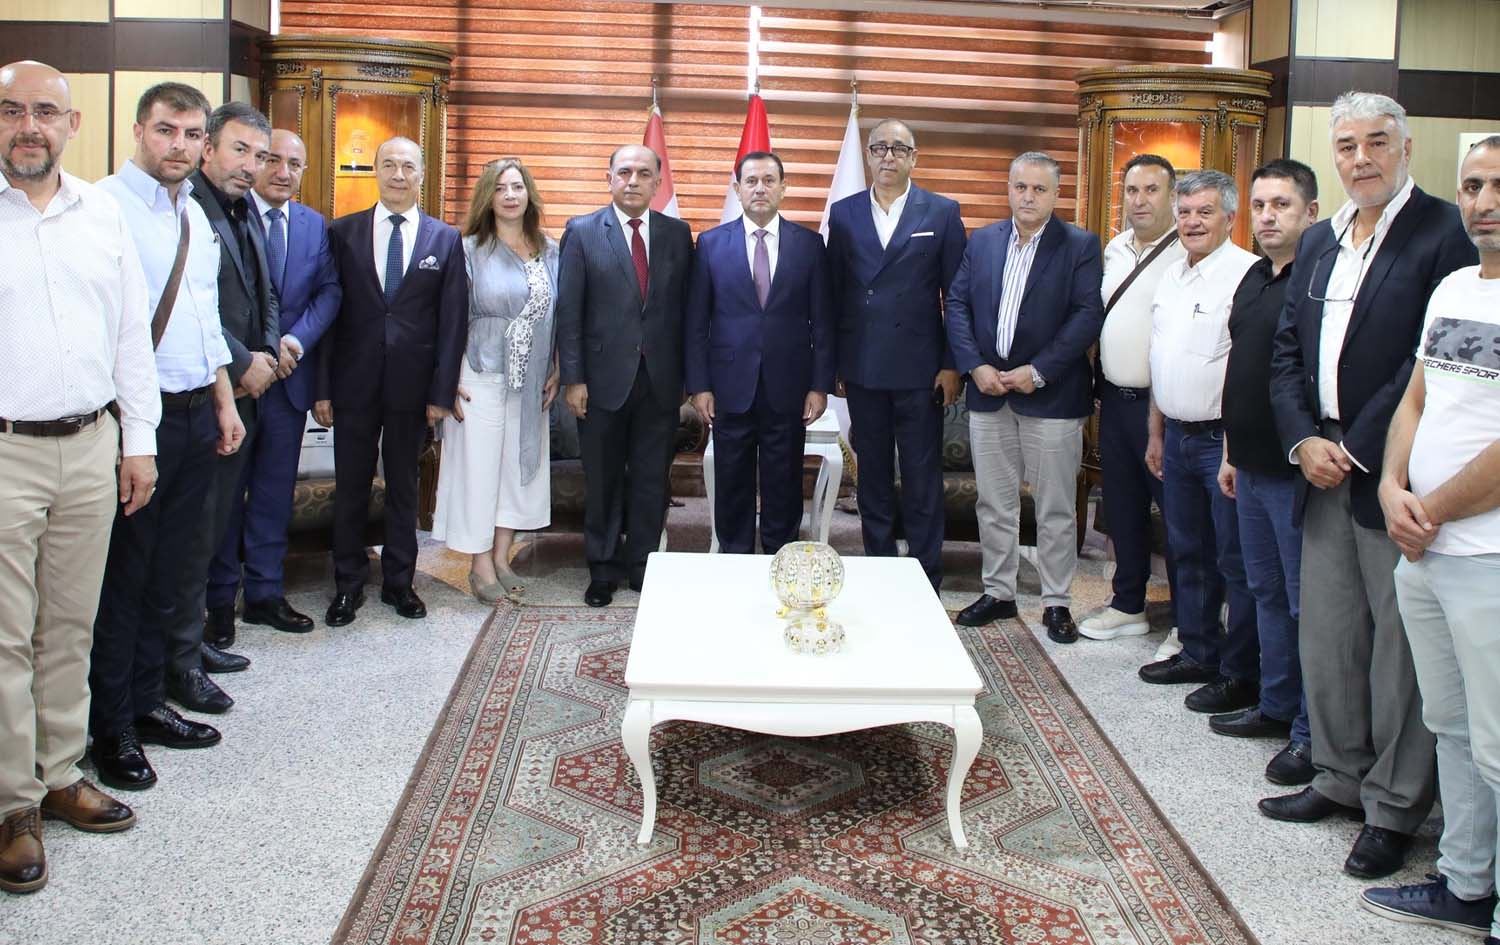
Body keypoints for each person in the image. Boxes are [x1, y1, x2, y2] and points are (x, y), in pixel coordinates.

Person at [1264, 91, 1476, 880]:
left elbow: (1423, 365)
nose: (1362, 158)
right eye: (1348, 145)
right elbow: (1287, 349)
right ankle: (1340, 776)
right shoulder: (1322, 239)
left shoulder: (1443, 233)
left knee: (1399, 655)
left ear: (1407, 147)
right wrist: (1303, 439)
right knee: (1329, 639)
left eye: (1378, 142)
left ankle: (1393, 806)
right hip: (1317, 465)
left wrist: (1352, 447)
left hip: (1391, 474)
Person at [0, 60, 156, 894]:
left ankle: (59, 772)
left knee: (68, 624)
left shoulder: (101, 214)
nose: (28, 126)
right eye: (11, 111)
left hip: (93, 444)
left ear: (72, 123)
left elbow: (131, 333)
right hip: (6, 451)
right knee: (4, 634)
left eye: (44, 112)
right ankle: (12, 803)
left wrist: (140, 442)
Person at [1360, 136, 1500, 940]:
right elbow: (1416, 399)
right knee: (1450, 724)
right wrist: (1391, 486)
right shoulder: (1454, 286)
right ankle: (1465, 883)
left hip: (1486, 557)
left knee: (1498, 740)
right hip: (1425, 550)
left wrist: (1432, 506)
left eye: (1499, 186)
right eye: (1472, 186)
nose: (1483, 201)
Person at [92, 82, 245, 791]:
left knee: (173, 572)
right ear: (137, 130)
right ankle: (111, 725)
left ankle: (150, 701)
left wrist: (224, 402)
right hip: (136, 421)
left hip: (194, 413)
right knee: (125, 580)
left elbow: (205, 320)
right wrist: (136, 437)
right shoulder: (104, 209)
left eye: (190, 134)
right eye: (165, 130)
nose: (178, 145)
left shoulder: (194, 216)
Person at [946, 151, 1103, 643]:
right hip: (989, 392)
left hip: (1051, 397)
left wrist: (1038, 372)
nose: (1028, 197)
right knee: (994, 504)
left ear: (1056, 194)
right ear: (1008, 189)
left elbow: (1086, 315)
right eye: (1020, 187)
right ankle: (999, 592)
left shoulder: (1080, 245)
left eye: (1039, 189)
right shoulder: (983, 241)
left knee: (1054, 508)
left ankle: (1057, 601)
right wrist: (975, 365)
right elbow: (957, 304)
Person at [315, 136, 468, 627]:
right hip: (352, 385)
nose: (398, 174)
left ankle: (400, 583)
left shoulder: (445, 239)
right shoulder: (343, 232)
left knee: (404, 488)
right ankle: (348, 584)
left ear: (422, 174)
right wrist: (322, 388)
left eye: (407, 166)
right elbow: (329, 316)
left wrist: (440, 394)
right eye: (388, 165)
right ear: (376, 171)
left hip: (413, 390)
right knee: (351, 487)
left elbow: (452, 324)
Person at [1210, 160, 1319, 788]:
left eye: (1282, 205)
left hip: (1294, 470)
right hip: (1247, 463)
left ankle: (1310, 732)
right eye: (1259, 205)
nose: (1268, 216)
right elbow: (1241, 369)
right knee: (1264, 592)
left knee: (1306, 605)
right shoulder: (1254, 275)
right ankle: (1276, 705)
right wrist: (1230, 449)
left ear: (1310, 212)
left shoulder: (1318, 278)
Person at [205, 128, 340, 636]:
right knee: (224, 497)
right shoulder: (229, 216)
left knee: (273, 494)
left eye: (294, 164)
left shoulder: (313, 224)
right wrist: (254, 357)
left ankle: (264, 593)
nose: (283, 172)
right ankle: (219, 602)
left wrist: (294, 344)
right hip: (235, 384)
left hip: (288, 383)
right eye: (272, 160)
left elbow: (329, 292)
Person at [167, 101, 278, 712]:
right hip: (203, 392)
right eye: (240, 150)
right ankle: (177, 661)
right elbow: (196, 307)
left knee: (212, 532)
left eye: (259, 155)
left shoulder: (246, 209)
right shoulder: (188, 208)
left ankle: (194, 642)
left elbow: (267, 294)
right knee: (189, 539)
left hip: (245, 392)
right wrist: (242, 363)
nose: (250, 165)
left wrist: (268, 354)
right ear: (207, 147)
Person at [824, 118, 966, 589]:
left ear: (914, 158)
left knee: (923, 477)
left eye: (899, 149)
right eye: (879, 148)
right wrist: (836, 364)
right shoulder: (844, 214)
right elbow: (835, 295)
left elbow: (955, 297)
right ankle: (881, 570)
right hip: (863, 366)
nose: (888, 156)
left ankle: (925, 576)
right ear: (867, 155)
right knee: (874, 477)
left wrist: (951, 364)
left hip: (921, 370)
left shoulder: (941, 212)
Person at [1140, 171, 1259, 712]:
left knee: (1234, 560)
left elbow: (1248, 371)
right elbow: (1160, 359)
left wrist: (1232, 448)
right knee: (1187, 551)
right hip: (1176, 436)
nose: (1192, 222)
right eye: (1185, 212)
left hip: (1221, 442)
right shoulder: (1171, 276)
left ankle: (1240, 672)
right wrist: (1156, 432)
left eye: (1204, 212)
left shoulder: (1247, 276)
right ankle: (1197, 650)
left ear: (1229, 218)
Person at [555, 144, 693, 606]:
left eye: (644, 173)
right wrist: (573, 378)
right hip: (599, 382)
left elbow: (688, 312)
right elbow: (569, 311)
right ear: (609, 178)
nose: (633, 180)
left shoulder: (677, 234)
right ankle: (602, 569)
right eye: (625, 172)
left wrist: (690, 381)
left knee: (652, 480)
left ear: (658, 182)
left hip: (660, 381)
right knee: (604, 480)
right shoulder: (582, 231)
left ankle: (643, 565)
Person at [685, 151, 835, 554]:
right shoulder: (711, 244)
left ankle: (780, 560)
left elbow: (823, 322)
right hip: (729, 386)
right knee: (732, 481)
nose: (760, 188)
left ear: (783, 188)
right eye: (751, 181)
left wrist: (820, 385)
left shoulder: (809, 245)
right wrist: (699, 386)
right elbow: (697, 322)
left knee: (784, 482)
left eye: (769, 180)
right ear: (737, 189)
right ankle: (735, 559)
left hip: (789, 387)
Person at [432, 157, 559, 601]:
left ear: (529, 194)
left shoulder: (550, 249)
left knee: (515, 471)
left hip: (532, 380)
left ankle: (503, 556)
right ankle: (480, 564)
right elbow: (447, 317)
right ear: (487, 196)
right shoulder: (467, 249)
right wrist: (445, 378)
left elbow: (557, 314)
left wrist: (557, 366)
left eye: (517, 187)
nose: (510, 195)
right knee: (480, 470)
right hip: (479, 373)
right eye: (500, 188)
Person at [1079, 154, 1185, 656]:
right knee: (1123, 509)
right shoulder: (1115, 248)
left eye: (1152, 190)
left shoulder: (1188, 249)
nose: (1140, 201)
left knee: (1178, 517)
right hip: (1115, 402)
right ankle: (1128, 605)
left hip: (1164, 408)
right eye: (1132, 190)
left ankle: (1189, 622)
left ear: (1173, 195)